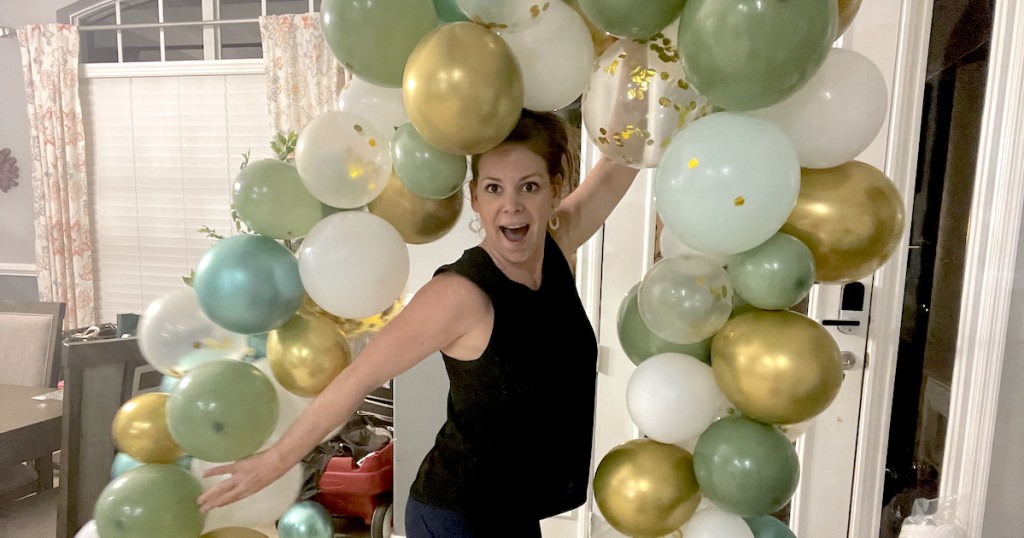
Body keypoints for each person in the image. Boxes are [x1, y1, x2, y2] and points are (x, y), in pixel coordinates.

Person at [197, 109, 640, 537]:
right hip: (458, 514)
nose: (512, 206)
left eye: (528, 187)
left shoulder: (556, 249)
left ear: (554, 189)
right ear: (474, 198)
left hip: (514, 510)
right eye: (493, 188)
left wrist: (648, 62)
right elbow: (357, 379)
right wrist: (276, 460)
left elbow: (623, 157)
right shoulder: (461, 294)